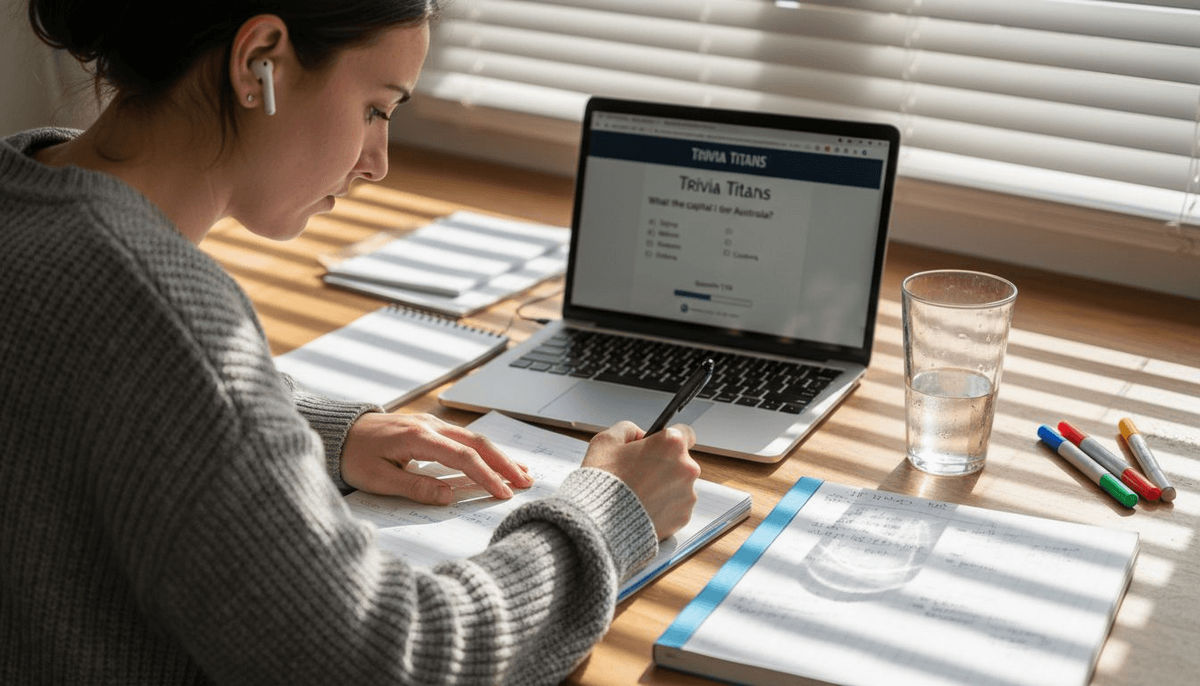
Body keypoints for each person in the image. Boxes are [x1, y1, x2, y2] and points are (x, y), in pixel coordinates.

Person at [0, 1, 702, 684]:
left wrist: (325, 430)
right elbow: (390, 661)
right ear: (259, 62)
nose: (379, 163)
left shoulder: (23, 191)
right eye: (375, 108)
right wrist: (609, 514)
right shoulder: (164, 315)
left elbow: (72, 380)